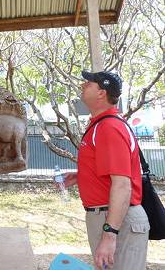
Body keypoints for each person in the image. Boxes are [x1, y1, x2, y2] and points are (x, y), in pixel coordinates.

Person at [63, 71, 149, 270]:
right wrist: (82, 177)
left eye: (89, 83)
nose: (83, 85)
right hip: (108, 217)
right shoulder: (100, 125)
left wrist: (110, 235)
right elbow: (115, 174)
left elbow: (122, 185)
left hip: (116, 220)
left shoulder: (108, 127)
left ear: (102, 92)